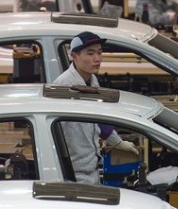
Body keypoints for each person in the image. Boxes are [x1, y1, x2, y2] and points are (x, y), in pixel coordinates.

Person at [53, 32, 139, 183]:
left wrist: (117, 142)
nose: (97, 59)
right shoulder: (64, 85)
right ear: (74, 56)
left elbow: (97, 119)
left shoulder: (92, 81)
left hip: (90, 166)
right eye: (90, 53)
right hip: (73, 171)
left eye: (100, 53)